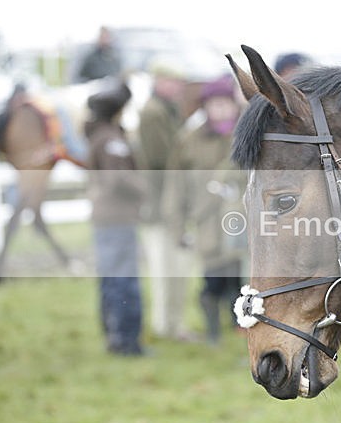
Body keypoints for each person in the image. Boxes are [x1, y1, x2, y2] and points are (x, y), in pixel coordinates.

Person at [163, 75, 249, 343]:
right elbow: (175, 185)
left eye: (225, 104)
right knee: (213, 277)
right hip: (206, 220)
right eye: (215, 104)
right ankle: (213, 331)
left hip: (240, 219)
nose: (221, 110)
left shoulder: (246, 134)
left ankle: (237, 327)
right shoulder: (191, 139)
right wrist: (177, 226)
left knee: (238, 278)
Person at [85, 80, 147, 356]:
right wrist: (145, 189)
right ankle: (126, 340)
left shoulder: (100, 136)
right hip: (117, 218)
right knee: (123, 280)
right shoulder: (111, 140)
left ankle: (115, 336)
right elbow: (118, 179)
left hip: (107, 218)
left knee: (111, 278)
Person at [136, 57, 191, 340]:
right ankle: (164, 326)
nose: (178, 86)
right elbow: (160, 159)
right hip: (158, 205)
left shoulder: (169, 110)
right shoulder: (153, 113)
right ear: (158, 81)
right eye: (173, 81)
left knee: (177, 268)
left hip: (170, 205)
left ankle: (174, 325)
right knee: (164, 270)